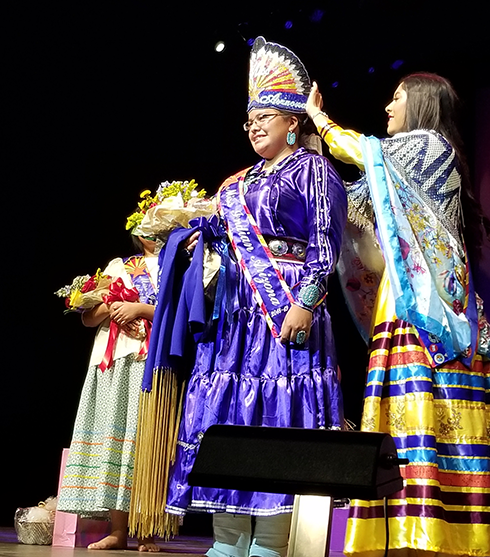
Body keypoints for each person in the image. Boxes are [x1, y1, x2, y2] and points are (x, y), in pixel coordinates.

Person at [306, 74, 490, 557]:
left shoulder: (429, 146)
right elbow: (354, 204)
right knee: (421, 413)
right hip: (415, 295)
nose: (388, 106)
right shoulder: (406, 161)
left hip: (426, 304)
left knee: (432, 410)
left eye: (396, 97)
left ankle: (437, 530)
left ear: (422, 103)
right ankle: (418, 529)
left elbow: (363, 154)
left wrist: (320, 122)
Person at [159, 37, 347, 557]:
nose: (255, 126)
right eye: (249, 120)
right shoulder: (234, 184)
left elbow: (325, 244)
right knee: (228, 417)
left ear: (292, 121)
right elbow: (227, 242)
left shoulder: (314, 169)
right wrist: (194, 233)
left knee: (277, 420)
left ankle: (268, 541)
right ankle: (226, 539)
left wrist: (305, 302)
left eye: (265, 116)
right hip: (234, 320)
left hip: (285, 312)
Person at [57, 212, 165, 552]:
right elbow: (89, 319)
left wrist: (141, 309)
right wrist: (112, 304)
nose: (150, 232)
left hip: (152, 360)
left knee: (145, 443)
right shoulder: (120, 266)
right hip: (115, 360)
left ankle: (146, 530)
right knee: (116, 441)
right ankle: (118, 530)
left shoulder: (180, 263)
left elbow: (184, 310)